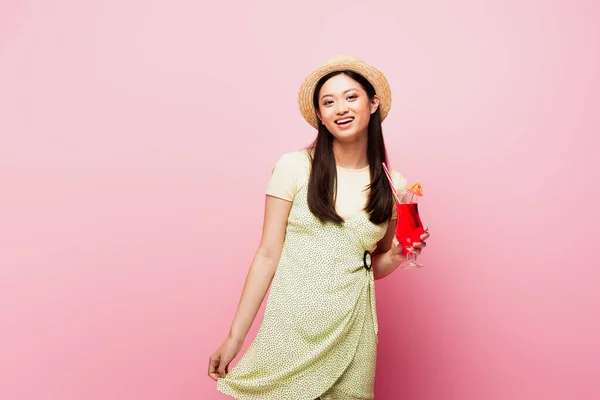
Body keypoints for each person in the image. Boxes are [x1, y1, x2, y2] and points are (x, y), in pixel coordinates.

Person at [208, 55, 430, 400]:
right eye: (328, 102)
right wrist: (235, 338)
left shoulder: (392, 184)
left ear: (373, 104)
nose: (340, 108)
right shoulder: (294, 167)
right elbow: (267, 254)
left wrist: (399, 254)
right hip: (291, 330)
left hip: (352, 334)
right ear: (321, 117)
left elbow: (371, 266)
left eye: (351, 97)